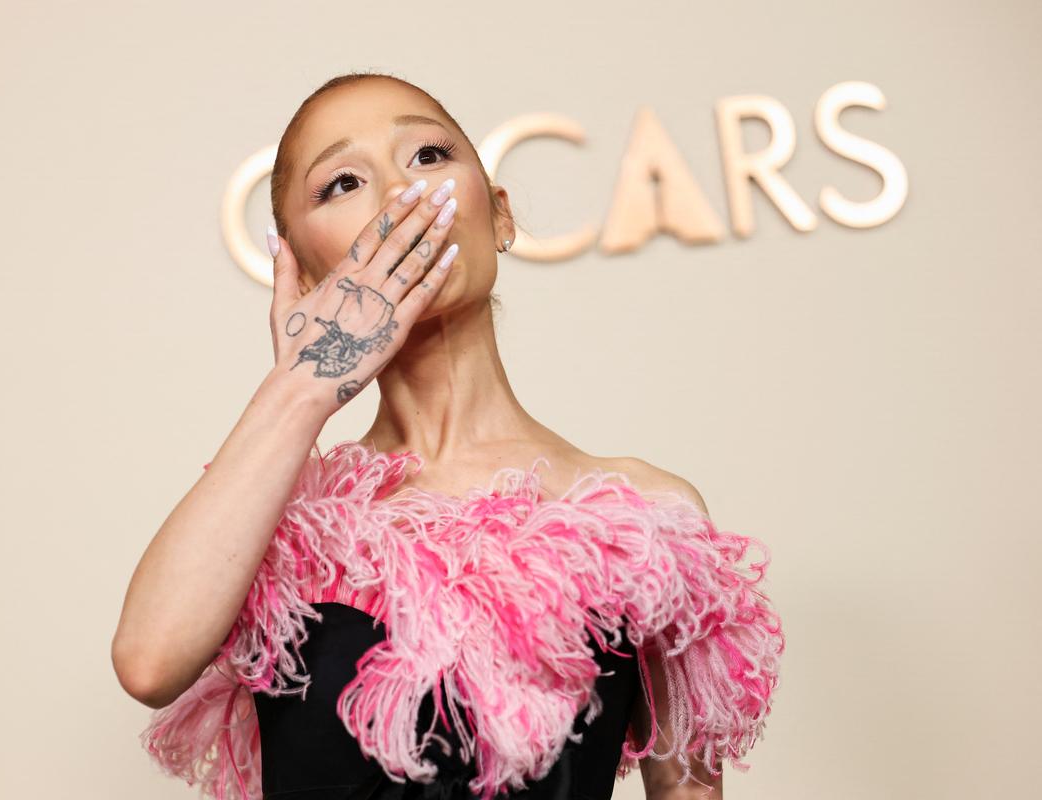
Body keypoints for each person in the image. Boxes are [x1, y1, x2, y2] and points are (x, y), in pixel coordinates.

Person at [112, 71, 784, 800]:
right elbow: (149, 664)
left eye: (428, 156)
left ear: (498, 216)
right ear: (304, 279)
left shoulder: (642, 521)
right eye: (341, 183)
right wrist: (303, 385)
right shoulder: (280, 524)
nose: (402, 196)